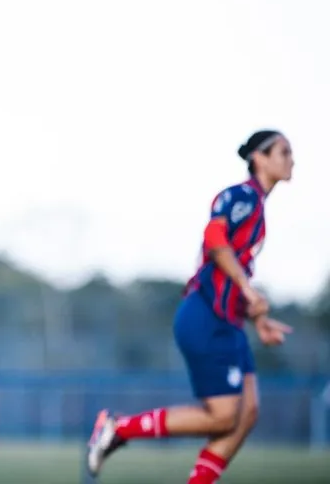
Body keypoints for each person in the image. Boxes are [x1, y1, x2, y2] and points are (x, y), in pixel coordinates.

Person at [86, 130, 296, 484]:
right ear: (259, 158)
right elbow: (214, 240)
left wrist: (257, 318)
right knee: (223, 416)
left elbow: (232, 270)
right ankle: (118, 427)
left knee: (248, 413)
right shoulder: (242, 196)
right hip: (206, 316)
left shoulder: (258, 206)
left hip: (229, 320)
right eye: (284, 151)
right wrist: (247, 288)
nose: (291, 159)